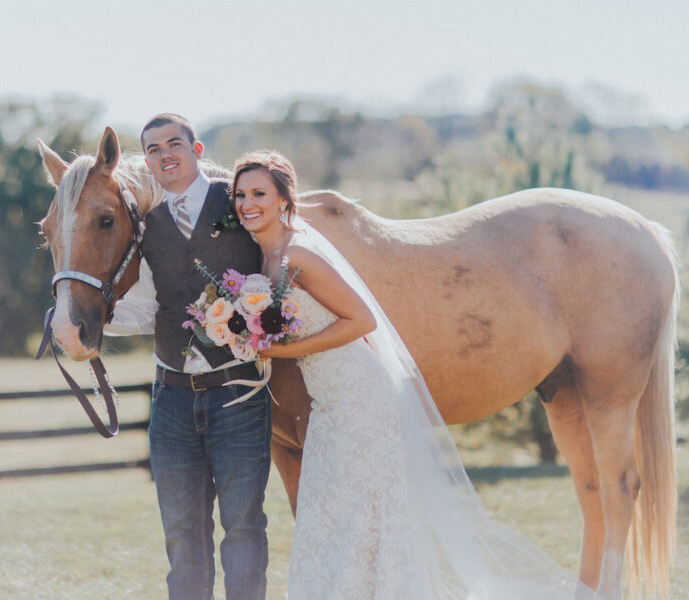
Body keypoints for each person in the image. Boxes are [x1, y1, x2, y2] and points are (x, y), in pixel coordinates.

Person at [230, 150, 595, 599]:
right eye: (241, 194)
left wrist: (288, 348)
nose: (248, 203)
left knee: (363, 514)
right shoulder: (266, 260)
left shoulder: (301, 253)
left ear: (286, 198)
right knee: (330, 513)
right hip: (329, 399)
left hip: (359, 394)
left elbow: (363, 321)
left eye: (259, 193)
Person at [104, 114, 272, 600]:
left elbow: (284, 251)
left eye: (174, 143)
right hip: (173, 403)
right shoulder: (147, 226)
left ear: (197, 150)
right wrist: (80, 318)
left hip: (238, 396)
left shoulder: (237, 201)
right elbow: (146, 308)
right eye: (153, 149)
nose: (165, 155)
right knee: (182, 536)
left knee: (242, 527)